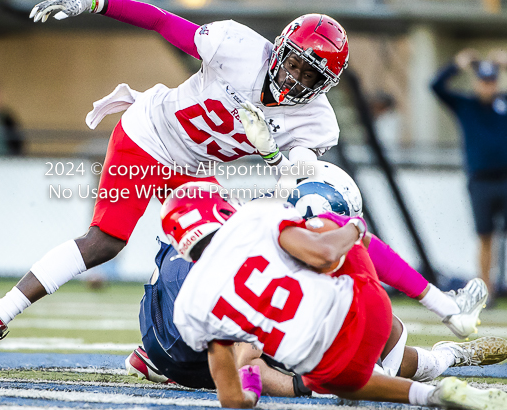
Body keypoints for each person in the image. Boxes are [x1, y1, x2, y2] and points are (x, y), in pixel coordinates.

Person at [0, 0, 348, 369]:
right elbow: (160, 21)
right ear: (279, 48)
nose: (295, 77)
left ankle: (156, 349)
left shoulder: (316, 121)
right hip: (148, 135)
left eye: (309, 74)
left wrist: (270, 153)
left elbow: (293, 178)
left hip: (193, 169)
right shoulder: (237, 46)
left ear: (324, 84)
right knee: (104, 242)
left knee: (223, 254)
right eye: (294, 63)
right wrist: (95, 3)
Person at [127, 163, 493, 391]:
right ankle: (445, 356)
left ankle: (445, 354)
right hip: (205, 354)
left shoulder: (251, 225)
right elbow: (246, 368)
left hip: (162, 330)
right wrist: (305, 385)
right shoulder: (273, 249)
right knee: (345, 328)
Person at [431, 49, 507, 303]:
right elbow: (436, 87)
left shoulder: (504, 102)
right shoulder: (466, 105)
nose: (488, 87)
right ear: (477, 83)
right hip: (481, 180)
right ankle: (487, 290)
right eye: (483, 81)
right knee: (485, 236)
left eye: (492, 81)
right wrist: (456, 64)